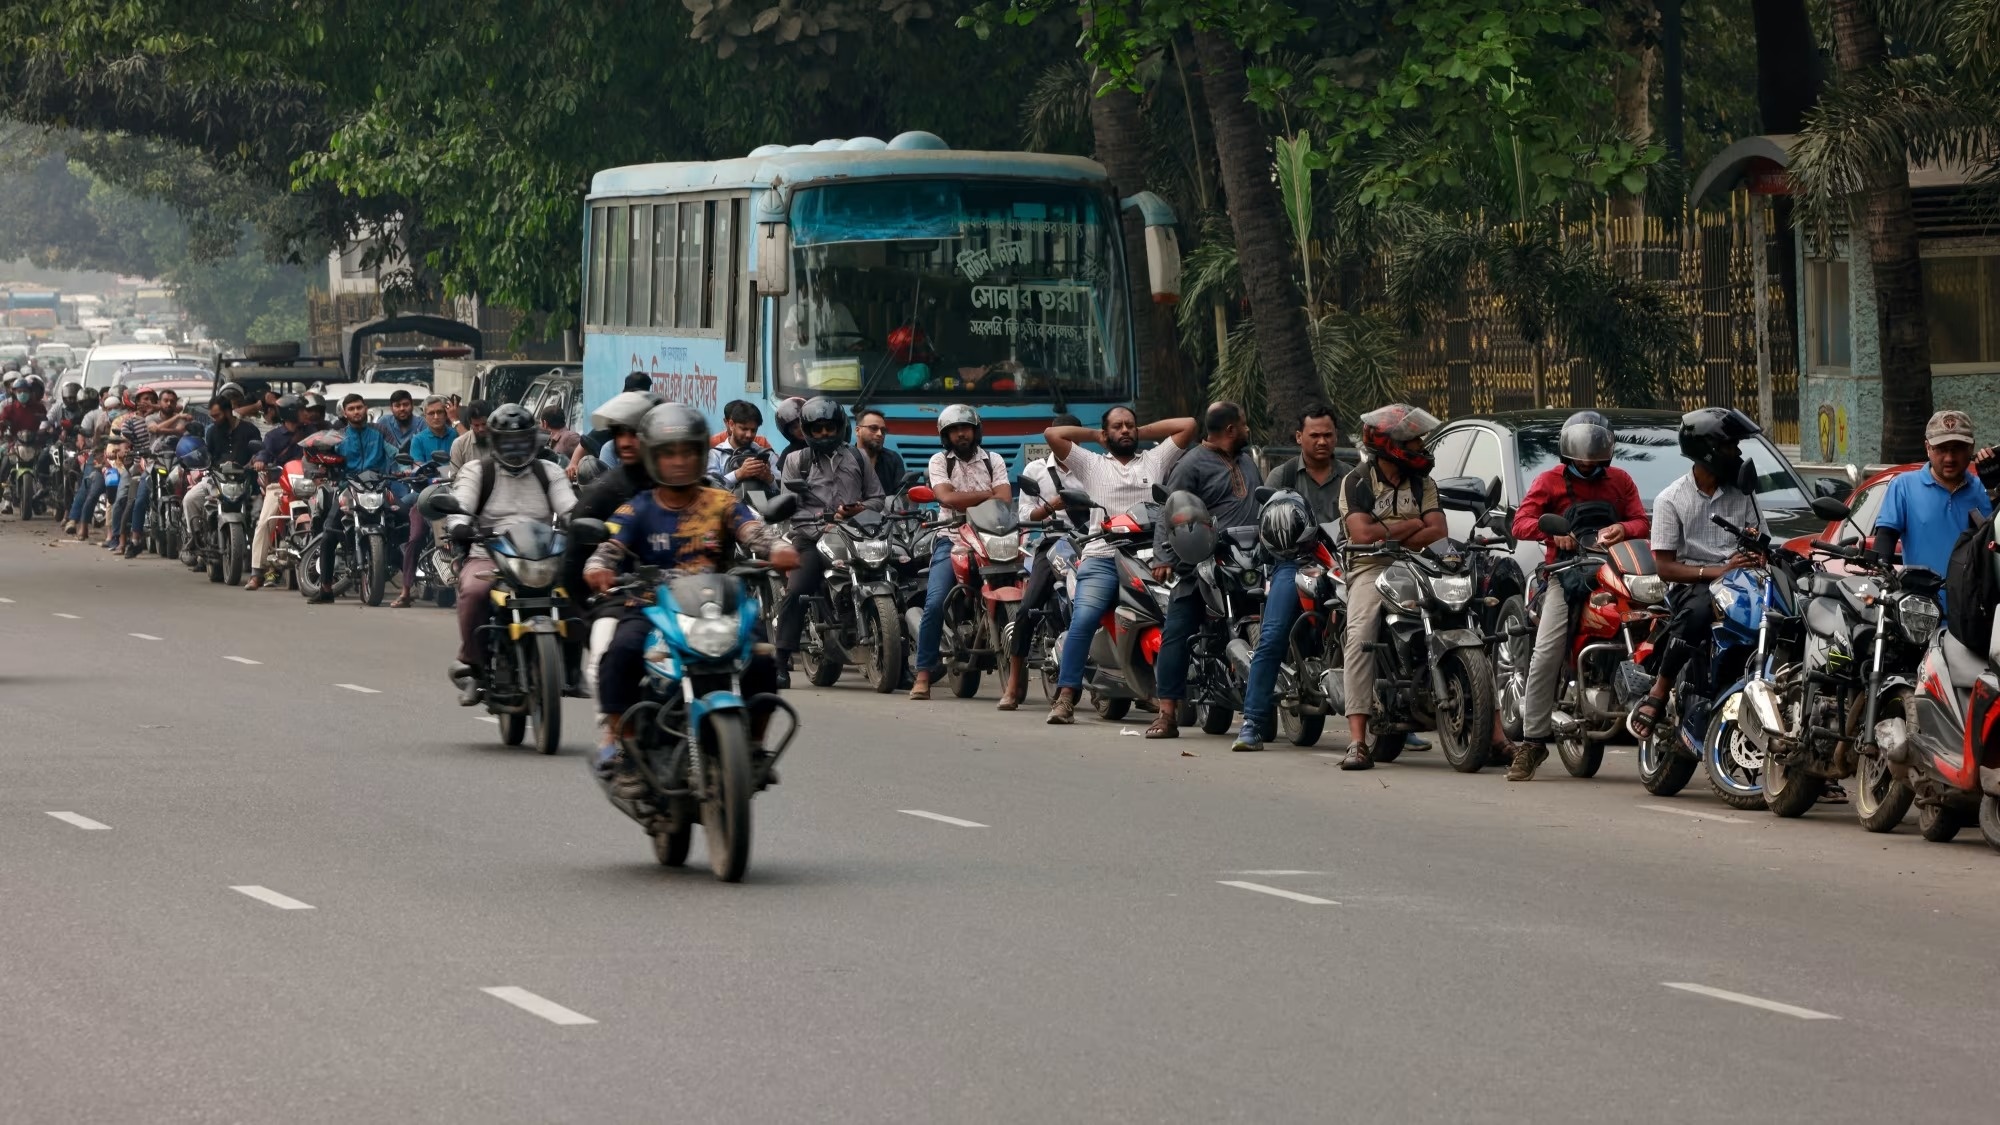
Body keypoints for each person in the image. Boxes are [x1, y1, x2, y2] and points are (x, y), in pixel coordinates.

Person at [583, 403, 798, 794]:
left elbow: (754, 531)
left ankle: (753, 748)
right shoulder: (638, 508)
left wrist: (777, 549)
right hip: (653, 610)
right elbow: (609, 546)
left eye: (687, 452)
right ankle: (624, 750)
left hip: (717, 609)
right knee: (621, 653)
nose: (679, 462)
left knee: (763, 659)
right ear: (653, 457)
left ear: (701, 454)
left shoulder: (722, 502)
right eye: (669, 453)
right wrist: (599, 566)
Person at [1499, 411, 1650, 780]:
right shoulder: (1548, 481)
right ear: (1568, 453)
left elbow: (1642, 522)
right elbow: (1520, 523)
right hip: (1564, 575)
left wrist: (1622, 527)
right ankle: (1532, 742)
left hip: (1615, 572)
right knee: (1546, 651)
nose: (1587, 463)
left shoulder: (1621, 480)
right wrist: (1552, 535)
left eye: (1594, 457)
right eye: (1581, 457)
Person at [1030, 409, 1197, 721]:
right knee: (1085, 618)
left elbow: (1188, 424)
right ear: (1105, 434)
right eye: (1117, 427)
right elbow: (1053, 435)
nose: (1125, 431)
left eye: (1129, 426)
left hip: (1150, 558)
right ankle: (1066, 697)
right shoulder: (1091, 464)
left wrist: (1140, 429)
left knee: (1172, 615)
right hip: (1103, 557)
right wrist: (1097, 436)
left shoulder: (1155, 460)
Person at [1627, 407, 1767, 757]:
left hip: (1743, 580)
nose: (1738, 454)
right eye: (1730, 447)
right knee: (1701, 611)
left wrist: (1757, 551)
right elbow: (1665, 567)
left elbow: (1762, 538)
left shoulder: (1742, 493)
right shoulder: (1671, 499)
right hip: (1694, 583)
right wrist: (1716, 572)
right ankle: (1660, 689)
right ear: (1707, 452)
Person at [1334, 403, 1448, 769]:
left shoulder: (1423, 483)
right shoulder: (1356, 481)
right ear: (1391, 445)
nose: (1420, 447)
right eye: (1413, 441)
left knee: (1462, 617)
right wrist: (1410, 526)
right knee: (1360, 634)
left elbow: (1439, 532)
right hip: (1369, 567)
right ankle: (1356, 741)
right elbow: (1363, 536)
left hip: (1419, 563)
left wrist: (1390, 533)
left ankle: (1493, 734)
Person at [444, 404, 577, 705]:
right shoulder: (478, 471)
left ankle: (571, 666)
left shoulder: (550, 471)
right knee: (475, 592)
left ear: (533, 440)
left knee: (576, 588)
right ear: (495, 442)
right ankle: (474, 666)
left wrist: (578, 522)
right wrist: (459, 525)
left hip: (542, 557)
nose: (516, 448)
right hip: (488, 553)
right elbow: (460, 507)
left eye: (522, 441)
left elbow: (569, 507)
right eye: (508, 442)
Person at [1231, 404, 1345, 751]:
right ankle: (1251, 723)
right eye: (1315, 435)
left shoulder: (1351, 476)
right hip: (1293, 564)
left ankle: (1392, 724)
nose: (1322, 441)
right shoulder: (1281, 476)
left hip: (1344, 564)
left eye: (1328, 434)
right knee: (1273, 634)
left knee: (1378, 627)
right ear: (1299, 438)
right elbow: (1268, 527)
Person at [1143, 402, 1261, 737]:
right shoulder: (1191, 464)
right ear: (1230, 431)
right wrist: (1163, 558)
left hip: (1249, 562)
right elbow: (1171, 508)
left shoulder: (1248, 462)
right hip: (1205, 563)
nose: (1247, 430)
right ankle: (1167, 713)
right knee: (1178, 629)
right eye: (1244, 425)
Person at [773, 396, 884, 687]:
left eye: (830, 427)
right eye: (818, 428)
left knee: (892, 578)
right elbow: (789, 506)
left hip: (856, 536)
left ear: (840, 427)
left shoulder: (858, 457)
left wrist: (859, 509)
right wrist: (821, 520)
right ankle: (781, 659)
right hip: (811, 537)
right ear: (808, 431)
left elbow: (878, 498)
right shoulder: (796, 462)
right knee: (796, 591)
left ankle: (898, 657)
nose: (824, 434)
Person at [908, 404, 1013, 700]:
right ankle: (924, 674)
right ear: (946, 435)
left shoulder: (994, 460)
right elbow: (947, 498)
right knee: (936, 601)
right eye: (954, 430)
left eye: (965, 428)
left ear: (975, 430)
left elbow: (1005, 501)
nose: (961, 434)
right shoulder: (939, 461)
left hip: (994, 540)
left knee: (1025, 592)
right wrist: (986, 495)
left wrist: (970, 499)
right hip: (952, 539)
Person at [567, 390, 662, 693]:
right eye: (620, 433)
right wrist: (591, 614)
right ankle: (612, 736)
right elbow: (573, 570)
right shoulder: (605, 494)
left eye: (635, 433)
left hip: (691, 601)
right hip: (624, 600)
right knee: (605, 664)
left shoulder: (703, 490)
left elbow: (736, 531)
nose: (625, 442)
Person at [1871, 410, 1993, 596]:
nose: (1949, 458)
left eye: (1957, 449)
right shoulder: (1903, 486)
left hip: (1973, 609)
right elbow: (1884, 542)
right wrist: (1881, 573)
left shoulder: (1983, 489)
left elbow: (1993, 545)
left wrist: (1995, 490)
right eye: (1941, 449)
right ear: (1927, 448)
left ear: (1971, 448)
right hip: (1919, 608)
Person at [179, 390, 261, 562]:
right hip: (216, 478)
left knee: (259, 512)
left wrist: (254, 463)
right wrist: (199, 466)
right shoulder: (212, 432)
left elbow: (258, 453)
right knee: (190, 499)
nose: (215, 420)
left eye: (217, 416)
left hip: (244, 479)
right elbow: (208, 455)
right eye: (212, 416)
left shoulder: (249, 430)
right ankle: (197, 541)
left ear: (228, 411)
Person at [395, 396, 460, 607]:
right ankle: (406, 591)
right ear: (424, 416)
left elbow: (470, 448)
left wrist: (457, 421)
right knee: (415, 538)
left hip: (456, 496)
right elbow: (416, 464)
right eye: (431, 413)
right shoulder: (419, 439)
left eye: (440, 412)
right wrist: (421, 471)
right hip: (427, 497)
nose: (435, 417)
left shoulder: (456, 436)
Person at [245, 394, 310, 589]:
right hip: (280, 486)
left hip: (309, 487)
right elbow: (265, 451)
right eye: (302, 410)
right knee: (265, 523)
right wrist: (260, 461)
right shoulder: (273, 436)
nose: (306, 413)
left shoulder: (312, 432)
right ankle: (257, 572)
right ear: (291, 413)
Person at [708, 399, 774, 489]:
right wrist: (739, 474)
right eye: (744, 429)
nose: (749, 435)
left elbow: (782, 488)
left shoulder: (767, 453)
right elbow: (710, 489)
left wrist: (769, 478)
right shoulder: (716, 455)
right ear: (731, 425)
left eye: (753, 430)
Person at [855, 407, 907, 498]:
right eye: (873, 428)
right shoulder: (845, 458)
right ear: (858, 430)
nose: (879, 434)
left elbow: (901, 497)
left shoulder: (893, 459)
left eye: (883, 430)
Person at [449, 399, 492, 469]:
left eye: (484, 424)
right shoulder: (459, 444)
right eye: (476, 425)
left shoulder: (500, 441)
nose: (481, 429)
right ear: (470, 424)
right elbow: (455, 475)